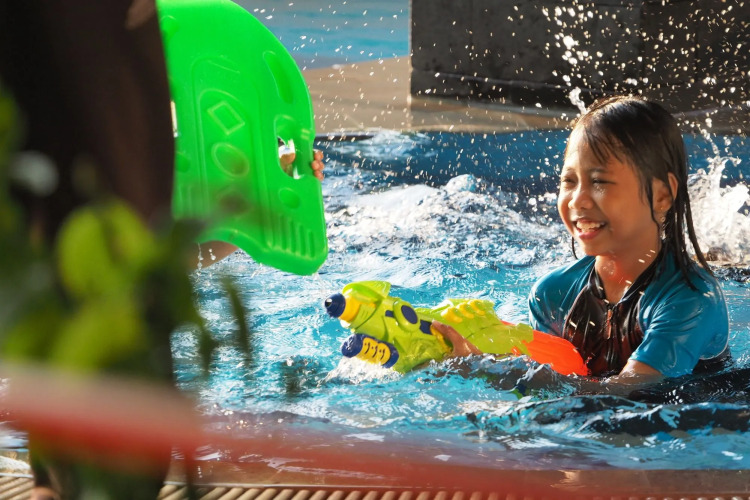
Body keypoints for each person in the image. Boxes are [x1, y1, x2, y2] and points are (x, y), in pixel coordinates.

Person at [433, 95, 730, 384]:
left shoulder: (690, 298)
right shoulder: (553, 295)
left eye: (599, 181)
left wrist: (490, 371)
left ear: (661, 195)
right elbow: (552, 389)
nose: (577, 200)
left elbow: (630, 390)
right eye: (569, 181)